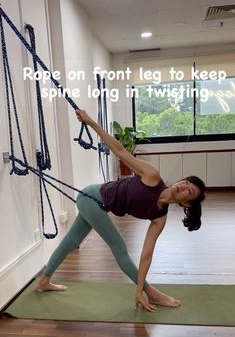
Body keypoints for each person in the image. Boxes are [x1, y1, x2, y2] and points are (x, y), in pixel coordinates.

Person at [36, 109, 205, 312]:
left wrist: (138, 288)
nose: (183, 186)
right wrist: (91, 122)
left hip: (98, 205)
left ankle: (44, 281)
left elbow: (146, 255)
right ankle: (152, 293)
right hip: (92, 197)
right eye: (186, 182)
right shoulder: (152, 175)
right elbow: (120, 151)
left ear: (186, 204)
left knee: (71, 241)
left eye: (189, 191)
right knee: (119, 247)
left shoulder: (160, 217)